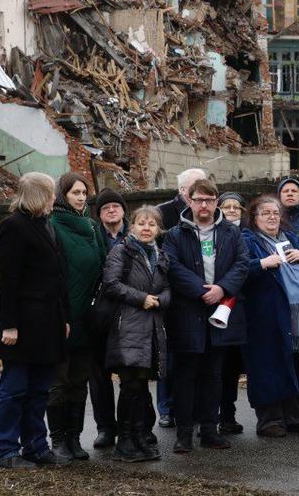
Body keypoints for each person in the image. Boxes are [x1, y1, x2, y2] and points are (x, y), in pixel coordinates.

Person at [163, 179, 249, 453]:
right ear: (189, 200)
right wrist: (202, 291)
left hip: (220, 313)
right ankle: (185, 433)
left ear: (216, 202)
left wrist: (222, 288)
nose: (203, 205)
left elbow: (242, 263)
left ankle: (210, 431)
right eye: (198, 199)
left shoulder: (231, 233)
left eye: (209, 200)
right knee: (186, 376)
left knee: (214, 375)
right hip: (188, 312)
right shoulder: (175, 234)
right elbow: (172, 267)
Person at [0, 172, 69, 469]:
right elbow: (6, 281)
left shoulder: (46, 226)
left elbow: (59, 278)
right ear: (39, 195)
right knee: (14, 390)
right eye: (50, 194)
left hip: (48, 324)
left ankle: (36, 446)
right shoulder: (13, 227)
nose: (54, 200)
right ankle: (5, 451)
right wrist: (9, 324)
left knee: (39, 392)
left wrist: (65, 318)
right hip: (21, 327)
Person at [240, 194, 299, 436]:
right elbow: (238, 270)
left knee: (296, 363)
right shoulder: (247, 240)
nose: (271, 217)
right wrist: (262, 264)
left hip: (298, 316)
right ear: (254, 218)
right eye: (265, 213)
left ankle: (296, 414)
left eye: (275, 213)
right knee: (268, 366)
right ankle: (270, 420)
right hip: (264, 317)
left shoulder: (292, 239)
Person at [101, 206, 170, 462]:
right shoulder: (121, 251)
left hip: (152, 329)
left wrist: (160, 300)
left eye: (152, 224)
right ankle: (125, 443)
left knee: (141, 388)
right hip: (128, 328)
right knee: (130, 385)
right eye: (141, 223)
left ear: (158, 229)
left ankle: (141, 437)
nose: (146, 228)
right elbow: (111, 284)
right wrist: (141, 299)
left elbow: (168, 288)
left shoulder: (160, 256)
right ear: (132, 226)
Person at [47, 172, 108, 463]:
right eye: (75, 193)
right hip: (61, 315)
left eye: (84, 193)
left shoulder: (93, 227)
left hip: (88, 316)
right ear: (62, 195)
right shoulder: (53, 226)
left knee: (80, 381)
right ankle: (57, 439)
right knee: (59, 381)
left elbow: (105, 266)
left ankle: (74, 437)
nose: (82, 198)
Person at [156, 168, 205, 428]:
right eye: (195, 187)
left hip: (198, 293)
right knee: (170, 357)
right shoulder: (164, 213)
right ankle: (166, 408)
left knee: (193, 357)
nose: (200, 192)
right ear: (183, 191)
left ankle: (192, 407)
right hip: (170, 292)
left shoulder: (206, 213)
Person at [89, 188, 128, 449]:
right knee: (98, 374)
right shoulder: (91, 237)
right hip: (99, 313)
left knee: (131, 374)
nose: (111, 210)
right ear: (99, 214)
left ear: (124, 210)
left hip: (131, 311)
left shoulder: (137, 233)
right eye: (105, 208)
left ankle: (130, 427)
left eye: (115, 206)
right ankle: (105, 428)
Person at [216, 192, 248, 434]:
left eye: (236, 206)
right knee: (215, 366)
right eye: (226, 206)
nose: (231, 210)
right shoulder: (214, 234)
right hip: (218, 304)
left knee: (232, 369)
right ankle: (209, 415)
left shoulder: (249, 234)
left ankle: (228, 414)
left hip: (242, 310)